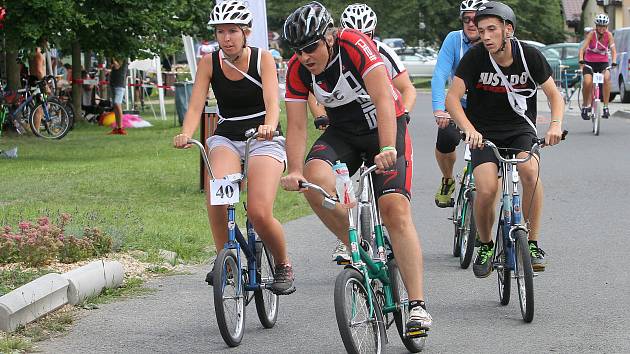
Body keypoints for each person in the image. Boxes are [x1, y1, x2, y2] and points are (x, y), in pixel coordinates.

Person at [280, 1, 432, 330]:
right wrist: (293, 169)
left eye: (310, 47)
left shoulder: (354, 45)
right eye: (298, 50)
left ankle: (417, 305)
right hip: (344, 133)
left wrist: (389, 146)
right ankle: (357, 247)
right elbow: (296, 126)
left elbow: (383, 99)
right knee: (312, 181)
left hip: (384, 128)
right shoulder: (298, 69)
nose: (305, 57)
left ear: (329, 38)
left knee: (394, 210)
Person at [173, 0, 294, 295]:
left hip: (263, 137)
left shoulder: (262, 58)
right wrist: (186, 133)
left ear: (246, 33)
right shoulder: (208, 62)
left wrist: (269, 125)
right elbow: (196, 106)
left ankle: (283, 264)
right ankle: (226, 261)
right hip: (226, 136)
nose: (226, 38)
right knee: (217, 199)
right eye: (220, 32)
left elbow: (272, 104)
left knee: (258, 211)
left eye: (232, 32)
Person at [446, 1, 564, 277]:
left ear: (507, 30)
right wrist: (469, 129)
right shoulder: (475, 57)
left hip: (519, 128)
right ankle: (486, 244)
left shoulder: (529, 56)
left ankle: (532, 243)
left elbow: (554, 96)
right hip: (483, 133)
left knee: (530, 171)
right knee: (486, 188)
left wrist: (555, 125)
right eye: (481, 30)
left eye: (491, 30)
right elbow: (452, 99)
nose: (484, 36)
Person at [324, 2, 417, 262]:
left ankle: (391, 232)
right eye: (353, 33)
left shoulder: (383, 53)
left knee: (390, 199)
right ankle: (348, 237)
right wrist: (321, 116)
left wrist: (405, 113)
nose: (359, 40)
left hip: (383, 121)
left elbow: (406, 89)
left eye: (366, 35)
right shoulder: (333, 55)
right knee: (335, 180)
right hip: (350, 126)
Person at [431, 0, 487, 208]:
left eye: (476, 19)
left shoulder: (492, 41)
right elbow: (440, 75)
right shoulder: (454, 40)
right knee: (445, 137)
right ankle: (448, 180)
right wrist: (438, 108)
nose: (471, 24)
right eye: (466, 19)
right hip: (460, 104)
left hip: (487, 107)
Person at [579, 14, 617, 120]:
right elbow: (582, 49)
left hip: (602, 63)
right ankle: (585, 106)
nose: (602, 28)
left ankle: (605, 107)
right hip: (589, 63)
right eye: (600, 26)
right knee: (587, 82)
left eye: (604, 26)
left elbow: (613, 51)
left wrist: (613, 61)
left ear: (607, 27)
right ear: (596, 26)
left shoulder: (609, 35)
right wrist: (581, 60)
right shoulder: (591, 34)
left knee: (606, 78)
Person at [28, 38, 47, 131]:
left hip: (32, 79)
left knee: (36, 106)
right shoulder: (38, 55)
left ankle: (36, 129)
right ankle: (36, 131)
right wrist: (45, 84)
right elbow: (39, 71)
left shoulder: (31, 54)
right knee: (39, 107)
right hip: (37, 81)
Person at [108, 56, 128, 135]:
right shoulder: (115, 59)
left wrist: (112, 58)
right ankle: (117, 127)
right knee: (115, 106)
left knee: (117, 103)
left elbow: (116, 66)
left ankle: (121, 127)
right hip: (113, 84)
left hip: (119, 85)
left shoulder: (123, 59)